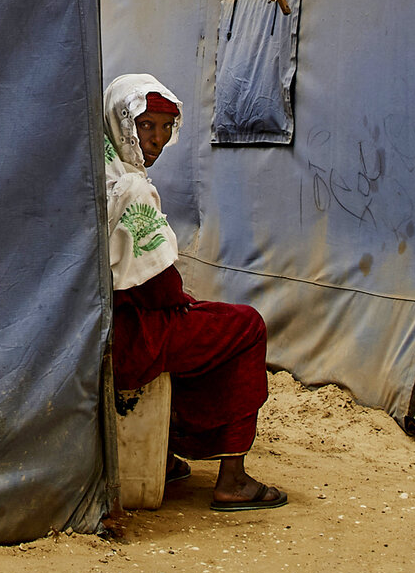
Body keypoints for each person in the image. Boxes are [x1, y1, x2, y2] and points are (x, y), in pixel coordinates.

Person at [103, 73, 284, 512]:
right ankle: (233, 480)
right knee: (245, 327)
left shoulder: (100, 168)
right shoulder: (132, 189)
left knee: (204, 324)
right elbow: (158, 287)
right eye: (146, 126)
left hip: (101, 324)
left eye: (166, 128)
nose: (157, 139)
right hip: (131, 336)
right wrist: (182, 300)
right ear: (121, 121)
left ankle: (162, 455)